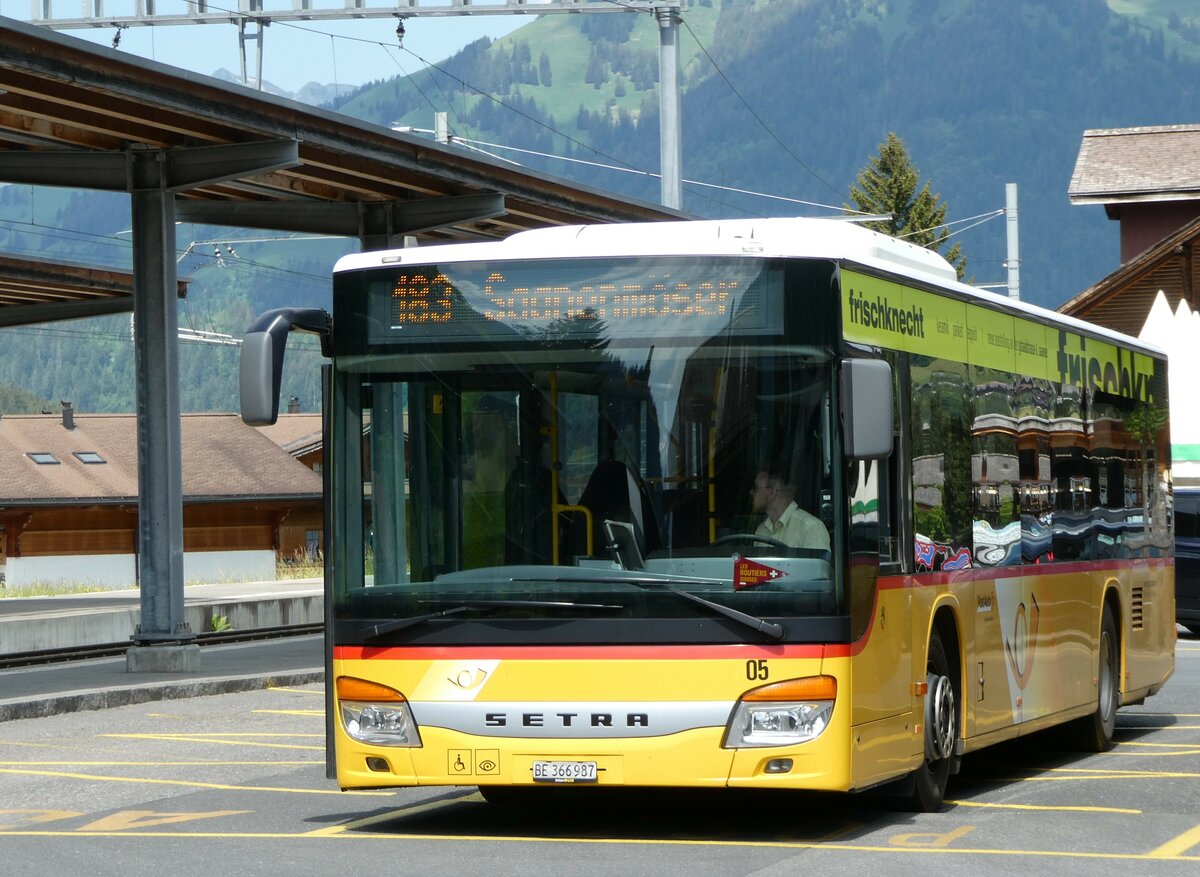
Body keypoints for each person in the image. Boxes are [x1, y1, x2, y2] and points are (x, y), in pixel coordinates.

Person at [750, 466, 830, 551]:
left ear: (772, 492)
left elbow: (816, 565)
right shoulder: (761, 531)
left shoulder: (811, 528)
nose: (751, 492)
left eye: (755, 488)